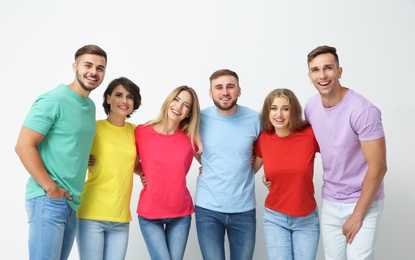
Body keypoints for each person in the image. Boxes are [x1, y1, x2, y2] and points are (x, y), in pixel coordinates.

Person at [15, 44, 107, 260]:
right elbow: (23, 146)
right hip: (48, 199)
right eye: (88, 65)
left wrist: (82, 158)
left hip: (72, 202)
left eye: (100, 68)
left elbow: (70, 141)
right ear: (75, 66)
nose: (93, 72)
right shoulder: (53, 100)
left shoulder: (89, 106)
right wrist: (51, 188)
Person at [305, 45, 387, 260]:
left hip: (363, 201)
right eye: (316, 70)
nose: (322, 75)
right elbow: (304, 148)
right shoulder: (311, 107)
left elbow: (378, 168)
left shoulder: (363, 111)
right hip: (331, 200)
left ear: (339, 72)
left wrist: (358, 214)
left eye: (328, 68)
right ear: (310, 76)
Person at [194, 69, 262, 260]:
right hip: (207, 210)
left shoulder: (255, 119)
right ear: (210, 93)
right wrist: (205, 162)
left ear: (239, 91)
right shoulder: (199, 118)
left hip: (244, 210)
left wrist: (252, 168)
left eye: (230, 87)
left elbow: (269, 147)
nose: (225, 92)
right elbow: (188, 145)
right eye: (219, 87)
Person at [76, 77, 142, 260]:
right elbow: (71, 153)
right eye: (118, 95)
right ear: (108, 98)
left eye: (129, 97)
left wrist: (145, 173)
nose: (124, 101)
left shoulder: (135, 132)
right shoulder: (93, 128)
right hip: (91, 213)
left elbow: (134, 163)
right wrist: (82, 159)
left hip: (121, 217)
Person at [135, 85, 202, 260]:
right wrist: (144, 173)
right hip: (150, 213)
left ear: (189, 113)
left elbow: (212, 163)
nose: (179, 107)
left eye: (186, 105)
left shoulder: (191, 137)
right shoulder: (142, 132)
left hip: (180, 214)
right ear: (169, 101)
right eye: (177, 100)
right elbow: (131, 162)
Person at [253, 88, 320, 260]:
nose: (279, 114)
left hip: (306, 219)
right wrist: (207, 165)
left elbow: (337, 155)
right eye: (274, 108)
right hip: (275, 218)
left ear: (294, 111)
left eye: (285, 108)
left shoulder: (309, 135)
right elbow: (247, 170)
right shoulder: (264, 139)